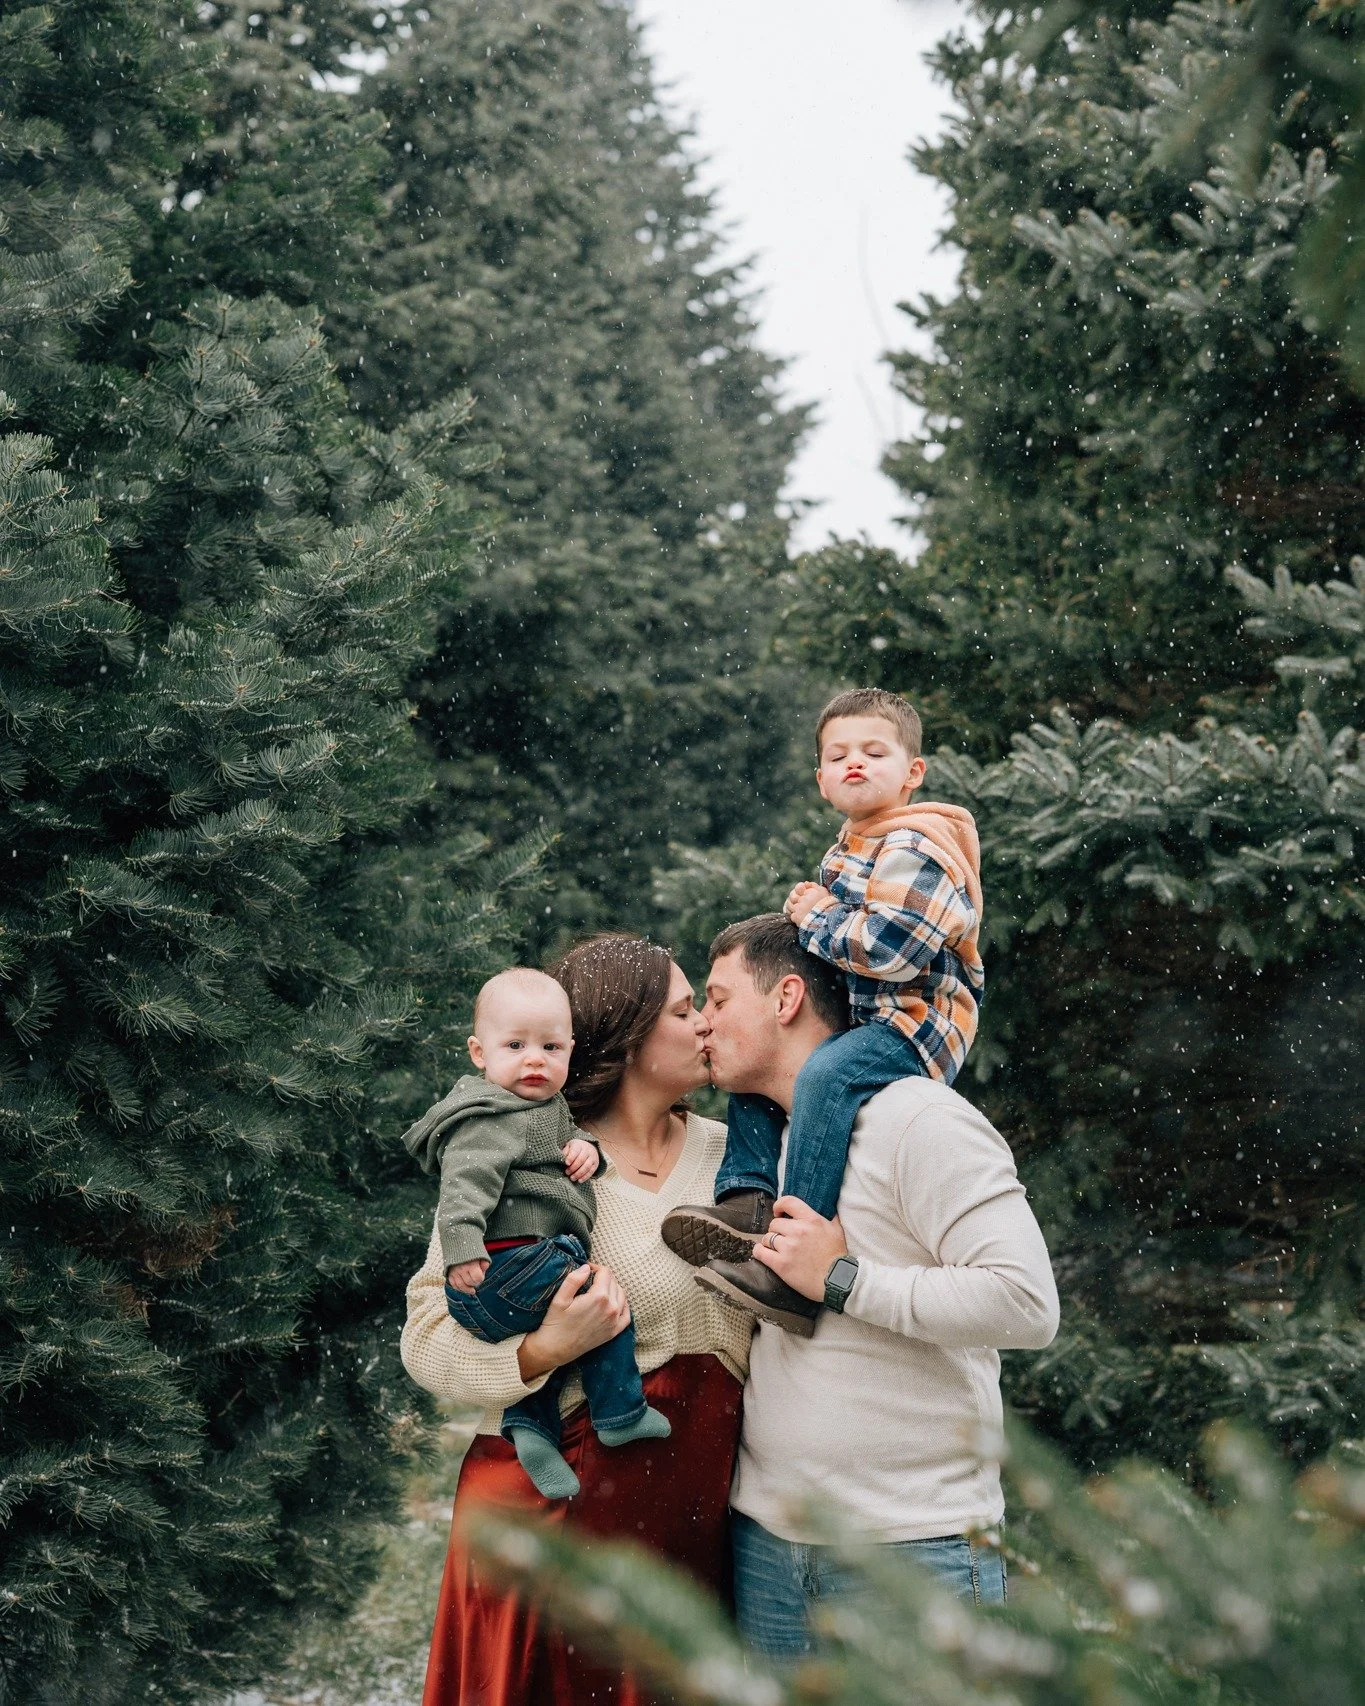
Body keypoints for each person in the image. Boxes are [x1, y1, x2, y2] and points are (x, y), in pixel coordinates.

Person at [688, 913, 1059, 1657]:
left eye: (718, 999)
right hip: (766, 1546)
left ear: (786, 997)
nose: (702, 1022)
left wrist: (842, 1280)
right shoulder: (758, 1152)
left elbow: (1025, 1304)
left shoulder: (918, 1120)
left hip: (911, 1551)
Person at [401, 934, 755, 1706]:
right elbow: (426, 1336)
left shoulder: (740, 1158)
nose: (704, 1027)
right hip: (548, 1519)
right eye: (684, 1010)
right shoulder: (521, 1157)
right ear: (626, 1035)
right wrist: (540, 1350)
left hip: (687, 1517)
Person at [664, 688, 985, 1335]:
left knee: (822, 1077)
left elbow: (890, 950)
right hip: (867, 1016)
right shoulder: (850, 847)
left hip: (916, 1021)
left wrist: (815, 914)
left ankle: (789, 1262)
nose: (855, 764)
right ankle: (747, 1206)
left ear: (912, 772)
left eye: (873, 751)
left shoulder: (917, 844)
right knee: (753, 1080)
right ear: (821, 779)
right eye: (838, 756)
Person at [401, 967, 670, 1501]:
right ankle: (619, 1412)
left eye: (550, 1047)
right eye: (516, 1045)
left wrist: (586, 1152)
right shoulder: (488, 1117)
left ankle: (530, 1430)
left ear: (572, 1050)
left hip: (512, 1276)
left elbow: (554, 1142)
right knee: (600, 1301)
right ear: (479, 1053)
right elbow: (464, 1188)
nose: (534, 1059)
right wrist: (461, 1254)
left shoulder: (541, 1110)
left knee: (548, 1337)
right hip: (502, 1268)